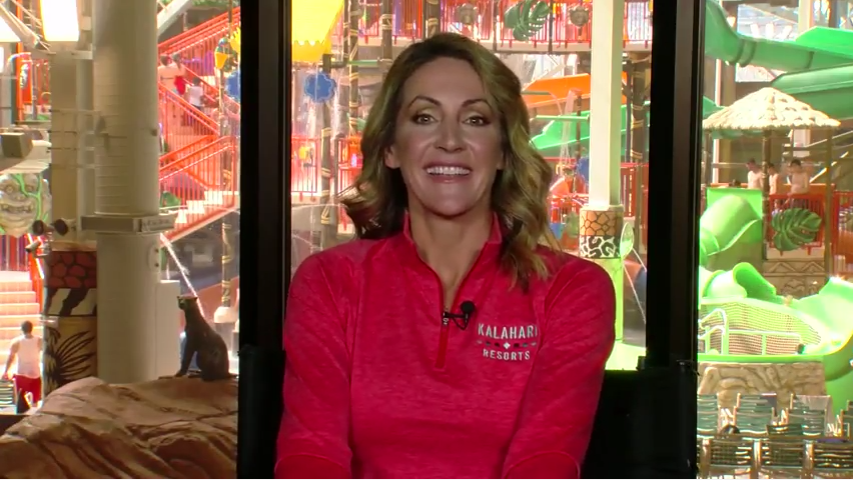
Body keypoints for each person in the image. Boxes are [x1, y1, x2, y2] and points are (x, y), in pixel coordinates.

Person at [275, 33, 616, 479]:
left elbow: (546, 460)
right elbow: (310, 454)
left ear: (503, 151)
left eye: (475, 119)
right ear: (391, 148)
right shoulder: (329, 281)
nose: (450, 140)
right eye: (424, 118)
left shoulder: (571, 290)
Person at [2, 320, 43, 406]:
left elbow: (11, 358)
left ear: (22, 329)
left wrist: (6, 371)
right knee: (35, 402)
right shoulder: (40, 341)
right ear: (32, 328)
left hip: (21, 374)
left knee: (21, 401)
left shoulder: (16, 342)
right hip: (35, 374)